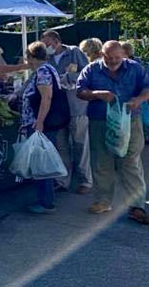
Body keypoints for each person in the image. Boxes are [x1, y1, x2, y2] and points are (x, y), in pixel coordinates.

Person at [77, 41, 149, 223]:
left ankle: (137, 206)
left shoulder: (135, 68)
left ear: (123, 55)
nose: (113, 61)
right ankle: (103, 201)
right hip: (100, 121)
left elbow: (147, 87)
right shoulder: (91, 69)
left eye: (117, 58)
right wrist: (97, 94)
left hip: (130, 120)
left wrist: (139, 99)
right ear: (102, 54)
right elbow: (80, 91)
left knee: (131, 161)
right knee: (101, 160)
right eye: (109, 58)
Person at [21, 41, 71, 214]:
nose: (26, 60)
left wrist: (40, 121)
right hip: (41, 122)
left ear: (32, 57)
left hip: (40, 123)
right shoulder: (47, 69)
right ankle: (45, 199)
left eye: (28, 57)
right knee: (42, 161)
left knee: (41, 163)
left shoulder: (43, 72)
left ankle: (46, 202)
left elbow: (46, 98)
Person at [41, 30, 92, 194]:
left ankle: (86, 181)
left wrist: (69, 77)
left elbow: (87, 73)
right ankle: (62, 180)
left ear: (56, 41)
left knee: (80, 145)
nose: (46, 47)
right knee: (61, 146)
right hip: (58, 110)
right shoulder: (46, 59)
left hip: (77, 107)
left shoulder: (74, 52)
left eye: (48, 43)